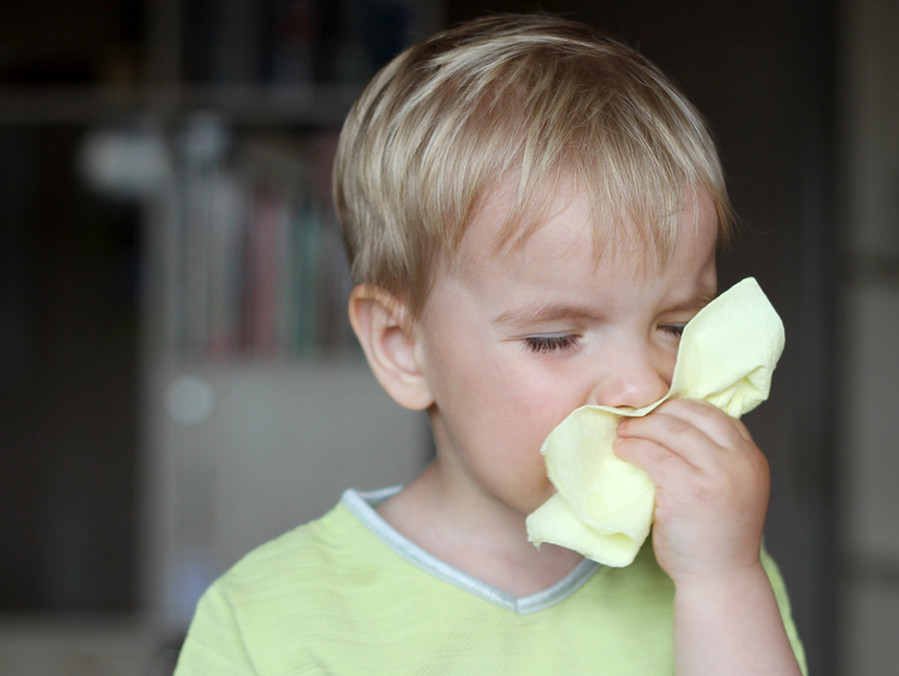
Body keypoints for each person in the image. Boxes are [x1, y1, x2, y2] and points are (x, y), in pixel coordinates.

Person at [175, 13, 806, 675]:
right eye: (554, 339)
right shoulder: (269, 618)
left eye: (675, 326)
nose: (643, 387)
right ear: (402, 347)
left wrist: (722, 580)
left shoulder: (713, 573)